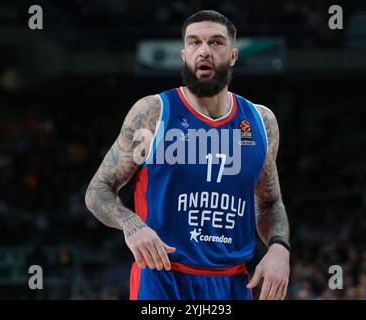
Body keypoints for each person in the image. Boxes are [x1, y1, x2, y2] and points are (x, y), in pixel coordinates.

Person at [85, 10, 290, 300]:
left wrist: (279, 248)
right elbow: (97, 190)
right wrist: (132, 225)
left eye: (216, 43)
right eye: (194, 43)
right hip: (162, 279)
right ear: (183, 54)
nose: (204, 51)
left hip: (232, 282)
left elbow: (269, 202)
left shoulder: (261, 122)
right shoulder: (152, 113)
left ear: (233, 55)